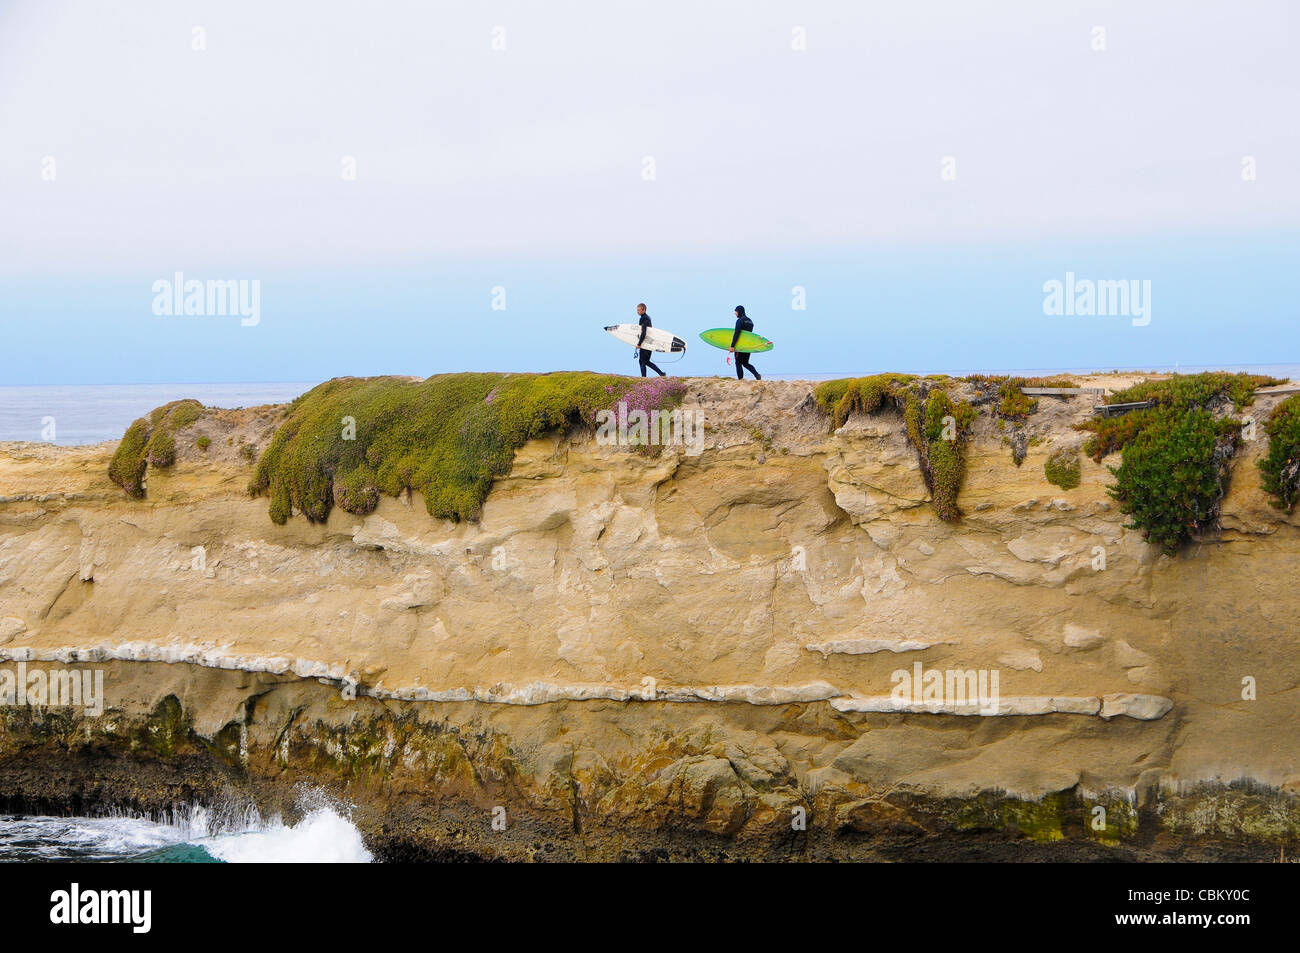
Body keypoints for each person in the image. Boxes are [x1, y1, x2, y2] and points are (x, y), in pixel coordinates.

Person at [728, 305, 761, 380]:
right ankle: (757, 375)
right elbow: (749, 334)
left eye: (735, 312)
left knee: (738, 363)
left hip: (740, 346)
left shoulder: (740, 320)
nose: (735, 313)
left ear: (739, 311)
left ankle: (740, 380)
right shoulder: (750, 321)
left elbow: (737, 333)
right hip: (748, 345)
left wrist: (732, 346)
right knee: (745, 363)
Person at [633, 303, 666, 377]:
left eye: (639, 310)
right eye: (637, 310)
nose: (637, 312)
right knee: (646, 361)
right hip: (649, 342)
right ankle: (661, 373)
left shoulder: (643, 318)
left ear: (643, 310)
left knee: (642, 361)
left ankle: (643, 378)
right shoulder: (648, 317)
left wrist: (639, 344)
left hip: (645, 343)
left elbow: (644, 333)